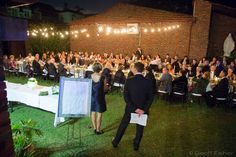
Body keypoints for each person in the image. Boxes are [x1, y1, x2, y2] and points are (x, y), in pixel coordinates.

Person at [112, 62, 154, 151]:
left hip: (131, 109)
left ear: (135, 69)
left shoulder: (129, 80)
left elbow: (126, 97)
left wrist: (135, 109)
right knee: (139, 128)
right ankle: (136, 145)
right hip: (142, 110)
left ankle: (116, 141)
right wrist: (143, 110)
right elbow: (150, 98)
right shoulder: (148, 82)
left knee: (123, 126)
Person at [91, 62, 107, 135]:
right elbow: (105, 89)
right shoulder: (103, 77)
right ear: (100, 69)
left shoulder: (89, 76)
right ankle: (98, 130)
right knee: (99, 113)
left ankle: (95, 128)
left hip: (92, 96)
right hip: (99, 96)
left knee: (93, 112)